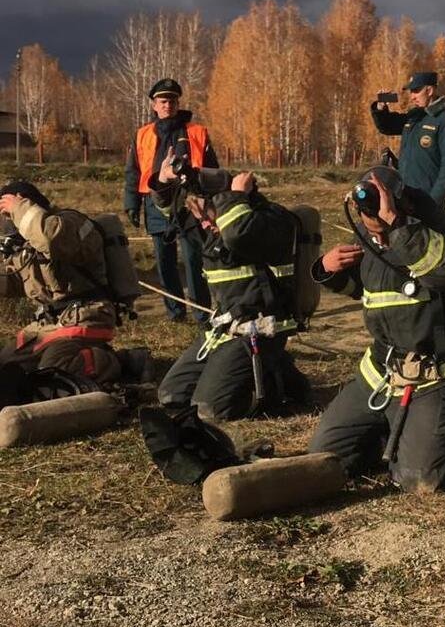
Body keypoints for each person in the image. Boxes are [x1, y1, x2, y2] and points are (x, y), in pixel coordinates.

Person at [307, 165, 445, 493]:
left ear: (401, 203)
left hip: (432, 374)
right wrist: (327, 269)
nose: (372, 230)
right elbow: (369, 292)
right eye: (366, 218)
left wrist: (398, 228)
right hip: (379, 373)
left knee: (421, 480)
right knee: (326, 457)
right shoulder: (365, 237)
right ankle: (398, 431)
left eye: (377, 216)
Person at [151, 151, 309, 421]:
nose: (202, 222)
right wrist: (164, 182)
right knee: (172, 395)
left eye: (206, 215)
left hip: (259, 330)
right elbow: (175, 211)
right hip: (224, 328)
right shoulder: (213, 224)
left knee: (211, 409)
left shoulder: (271, 220)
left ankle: (277, 380)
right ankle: (272, 369)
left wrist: (234, 196)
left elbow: (238, 234)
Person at [0, 180, 150, 391]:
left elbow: (50, 239)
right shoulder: (26, 244)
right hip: (47, 326)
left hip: (86, 316)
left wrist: (18, 208)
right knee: (6, 366)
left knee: (55, 369)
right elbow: (12, 280)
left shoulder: (70, 223)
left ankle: (123, 361)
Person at [125, 78, 214, 323]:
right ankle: (175, 313)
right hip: (154, 203)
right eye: (163, 101)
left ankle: (201, 313)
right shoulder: (142, 135)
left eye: (172, 101)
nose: (168, 105)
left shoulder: (197, 132)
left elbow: (213, 170)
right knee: (164, 262)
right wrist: (131, 203)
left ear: (178, 103)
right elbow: (133, 171)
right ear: (154, 105)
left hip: (190, 203)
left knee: (194, 260)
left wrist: (212, 204)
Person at [370, 71, 445, 209]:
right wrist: (381, 109)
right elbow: (387, 127)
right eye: (411, 92)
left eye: (416, 91)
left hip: (426, 200)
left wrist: (433, 203)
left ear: (430, 90)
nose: (412, 97)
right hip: (404, 196)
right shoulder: (414, 117)